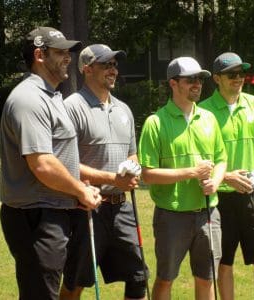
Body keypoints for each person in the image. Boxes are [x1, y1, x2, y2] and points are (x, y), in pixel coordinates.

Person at [0, 27, 101, 300]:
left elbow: (60, 157)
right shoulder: (28, 99)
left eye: (69, 52)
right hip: (36, 216)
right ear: (39, 55)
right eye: (60, 52)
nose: (68, 57)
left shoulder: (52, 96)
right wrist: (80, 191)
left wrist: (77, 188)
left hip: (57, 210)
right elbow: (42, 163)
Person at [59, 44, 148, 300]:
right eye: (106, 64)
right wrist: (112, 178)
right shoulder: (71, 107)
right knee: (76, 280)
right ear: (87, 68)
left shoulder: (124, 110)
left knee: (138, 278)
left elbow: (132, 154)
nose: (113, 70)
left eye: (115, 64)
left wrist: (133, 170)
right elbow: (66, 163)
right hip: (86, 209)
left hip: (123, 209)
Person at [138, 56, 227, 300]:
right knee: (166, 279)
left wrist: (216, 181)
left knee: (207, 279)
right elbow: (148, 174)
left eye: (199, 79)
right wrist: (191, 172)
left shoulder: (208, 119)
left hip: (208, 213)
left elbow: (221, 159)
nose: (197, 84)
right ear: (173, 83)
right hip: (171, 216)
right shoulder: (155, 123)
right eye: (190, 80)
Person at [199, 52, 254, 300]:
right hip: (220, 200)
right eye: (231, 74)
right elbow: (199, 161)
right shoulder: (203, 111)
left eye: (241, 73)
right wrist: (227, 176)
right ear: (216, 78)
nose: (238, 78)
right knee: (224, 262)